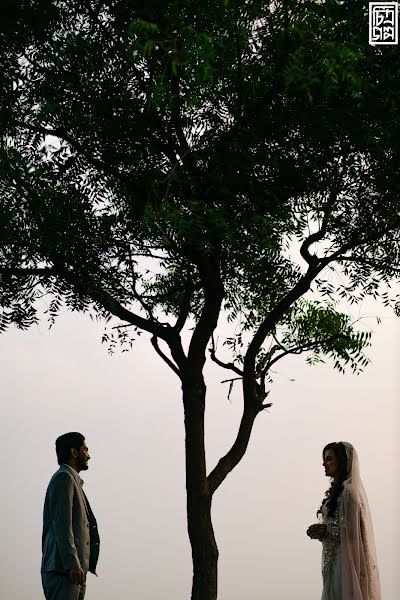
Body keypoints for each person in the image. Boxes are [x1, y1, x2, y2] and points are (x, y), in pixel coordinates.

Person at [306, 441, 380, 600]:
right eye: (324, 459)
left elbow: (352, 531)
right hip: (331, 562)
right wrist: (321, 532)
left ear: (341, 461)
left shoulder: (349, 493)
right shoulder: (336, 494)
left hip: (344, 562)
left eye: (329, 459)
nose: (324, 464)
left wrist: (324, 530)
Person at [41, 432, 100, 600]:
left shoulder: (71, 480)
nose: (89, 456)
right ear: (74, 453)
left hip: (74, 572)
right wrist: (72, 563)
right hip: (64, 570)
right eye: (85, 450)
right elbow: (62, 526)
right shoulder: (64, 478)